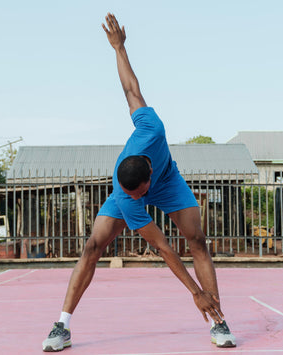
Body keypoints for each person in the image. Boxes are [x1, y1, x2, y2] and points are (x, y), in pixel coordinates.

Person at [42, 13, 236, 352]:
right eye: (132, 194)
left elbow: (131, 89)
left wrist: (120, 48)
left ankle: (219, 320)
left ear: (146, 178)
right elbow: (162, 247)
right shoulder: (126, 194)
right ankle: (63, 325)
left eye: (139, 192)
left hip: (170, 180)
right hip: (133, 187)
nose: (138, 198)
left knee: (198, 240)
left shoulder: (152, 129)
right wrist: (195, 293)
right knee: (93, 246)